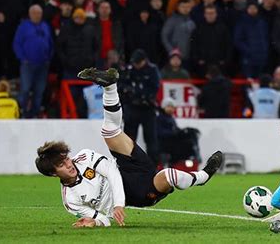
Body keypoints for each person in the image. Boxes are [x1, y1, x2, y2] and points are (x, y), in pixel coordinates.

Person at [35, 67, 223, 227]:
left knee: (109, 132)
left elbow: (111, 172)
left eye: (66, 158)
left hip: (127, 168)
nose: (69, 164)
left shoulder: (83, 157)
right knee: (167, 176)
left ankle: (110, 86)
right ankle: (203, 176)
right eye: (61, 165)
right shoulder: (71, 200)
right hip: (137, 192)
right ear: (53, 173)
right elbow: (104, 219)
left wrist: (118, 204)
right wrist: (95, 222)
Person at [118, 49, 161, 166]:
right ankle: (128, 164)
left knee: (151, 139)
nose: (136, 65)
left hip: (147, 108)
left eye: (138, 63)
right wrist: (128, 92)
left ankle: (153, 165)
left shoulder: (152, 70)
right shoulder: (129, 70)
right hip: (133, 107)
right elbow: (121, 85)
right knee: (129, 139)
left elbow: (154, 88)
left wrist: (138, 92)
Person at [13, 4, 53, 118]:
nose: (37, 15)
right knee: (25, 89)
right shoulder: (23, 26)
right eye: (34, 13)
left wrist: (48, 58)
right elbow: (17, 44)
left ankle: (35, 114)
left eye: (39, 13)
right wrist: (23, 58)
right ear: (30, 14)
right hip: (27, 64)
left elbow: (50, 43)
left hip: (43, 64)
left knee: (39, 91)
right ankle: (23, 112)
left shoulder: (45, 26)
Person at [157, 97, 201, 166]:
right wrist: (174, 133)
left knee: (191, 134)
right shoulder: (159, 118)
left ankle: (195, 155)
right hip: (165, 143)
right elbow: (160, 132)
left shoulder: (170, 118)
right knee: (186, 144)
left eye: (172, 107)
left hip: (172, 141)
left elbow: (176, 129)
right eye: (169, 106)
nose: (171, 109)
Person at [190, 4, 232, 78]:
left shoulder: (223, 28)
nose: (210, 15)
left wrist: (225, 59)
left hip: (219, 62)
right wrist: (197, 59)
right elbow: (194, 44)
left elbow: (228, 45)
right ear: (204, 14)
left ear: (216, 14)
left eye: (212, 13)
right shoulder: (198, 28)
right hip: (203, 62)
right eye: (208, 13)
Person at [234, 1, 269, 79]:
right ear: (247, 9)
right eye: (250, 8)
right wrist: (249, 50)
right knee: (248, 82)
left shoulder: (262, 22)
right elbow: (238, 40)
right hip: (248, 58)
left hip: (261, 58)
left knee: (259, 80)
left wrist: (264, 50)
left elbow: (265, 38)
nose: (252, 10)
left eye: (254, 8)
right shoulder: (242, 22)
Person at [161, 0, 196, 67]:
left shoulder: (193, 20)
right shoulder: (172, 20)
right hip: (176, 57)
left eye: (188, 7)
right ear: (178, 7)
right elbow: (164, 36)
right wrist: (171, 50)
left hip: (191, 56)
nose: (185, 9)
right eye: (183, 7)